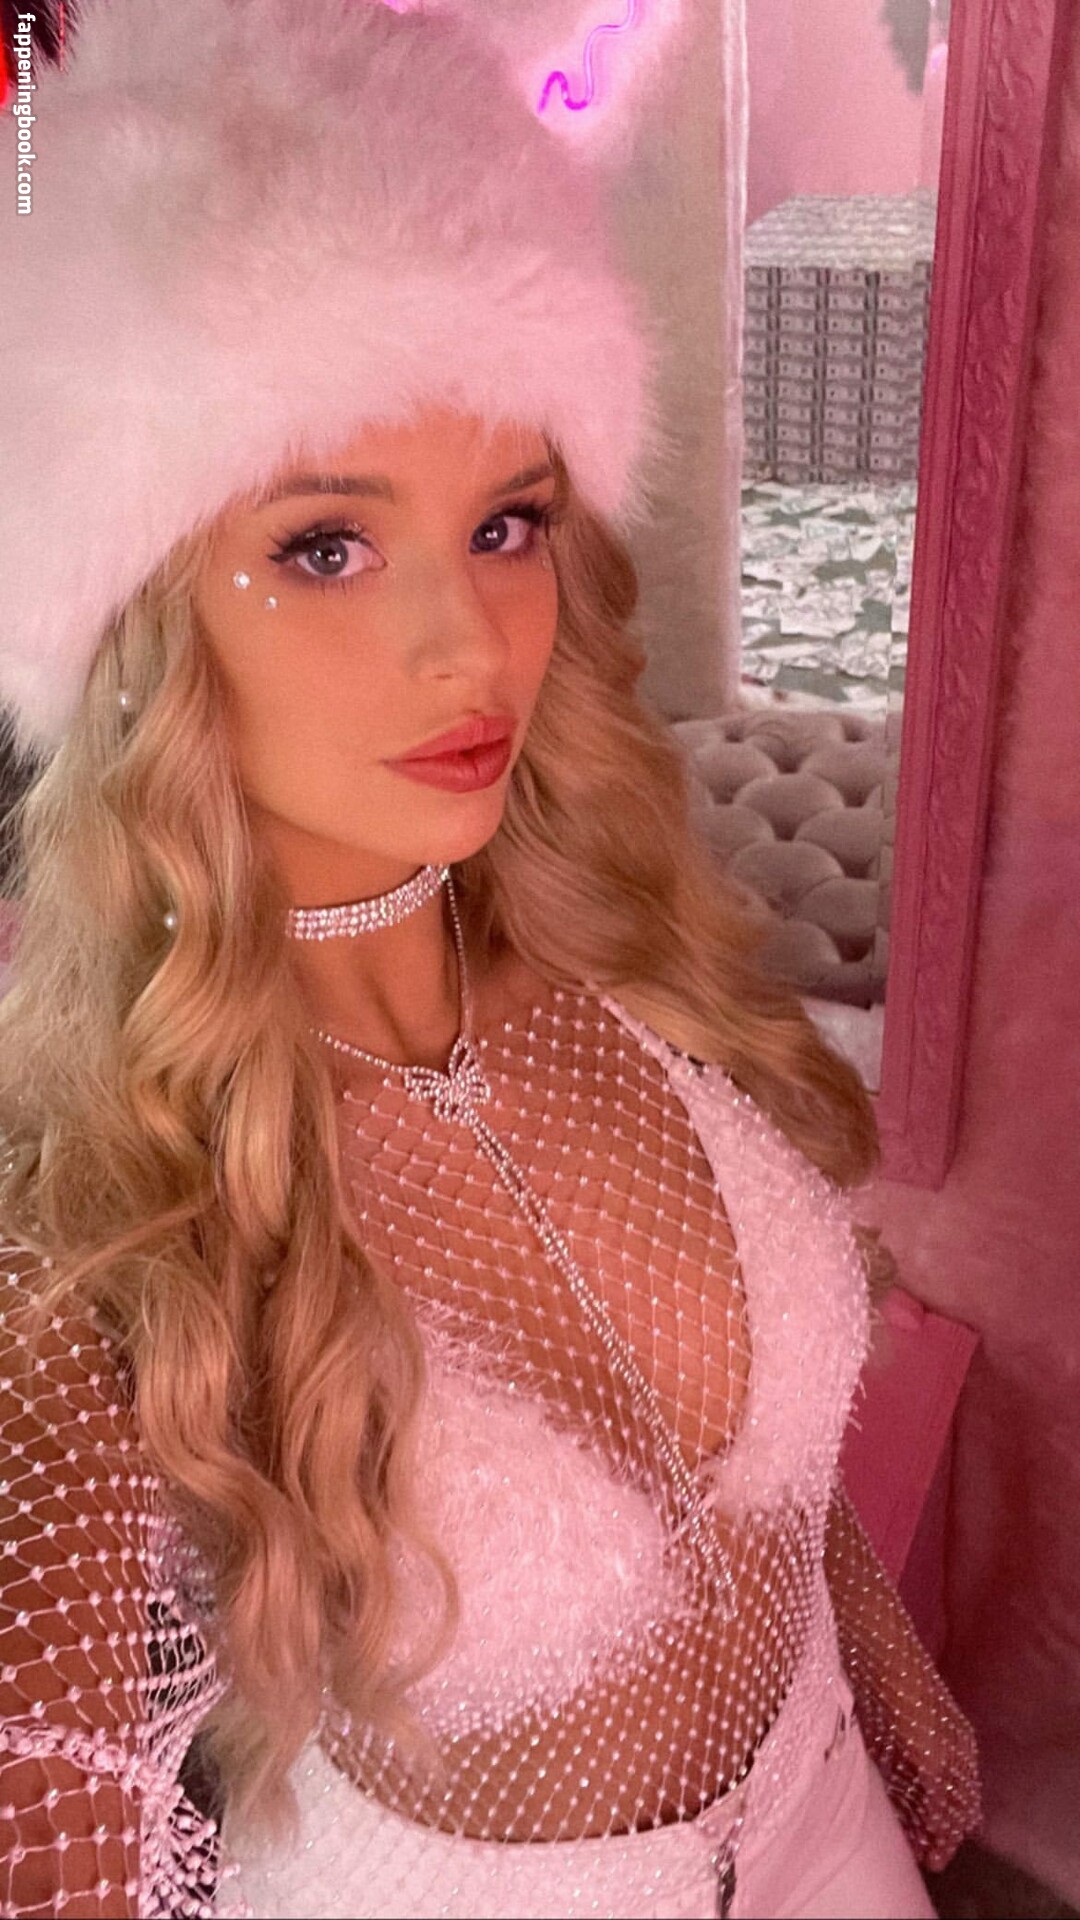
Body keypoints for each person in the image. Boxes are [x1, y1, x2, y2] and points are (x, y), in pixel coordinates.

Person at [0, 0, 980, 1914]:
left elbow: (751, 1470)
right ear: (136, 618)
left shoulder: (622, 956)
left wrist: (866, 1644)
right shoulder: (102, 1229)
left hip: (830, 1813)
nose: (472, 648)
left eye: (508, 522)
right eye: (329, 547)